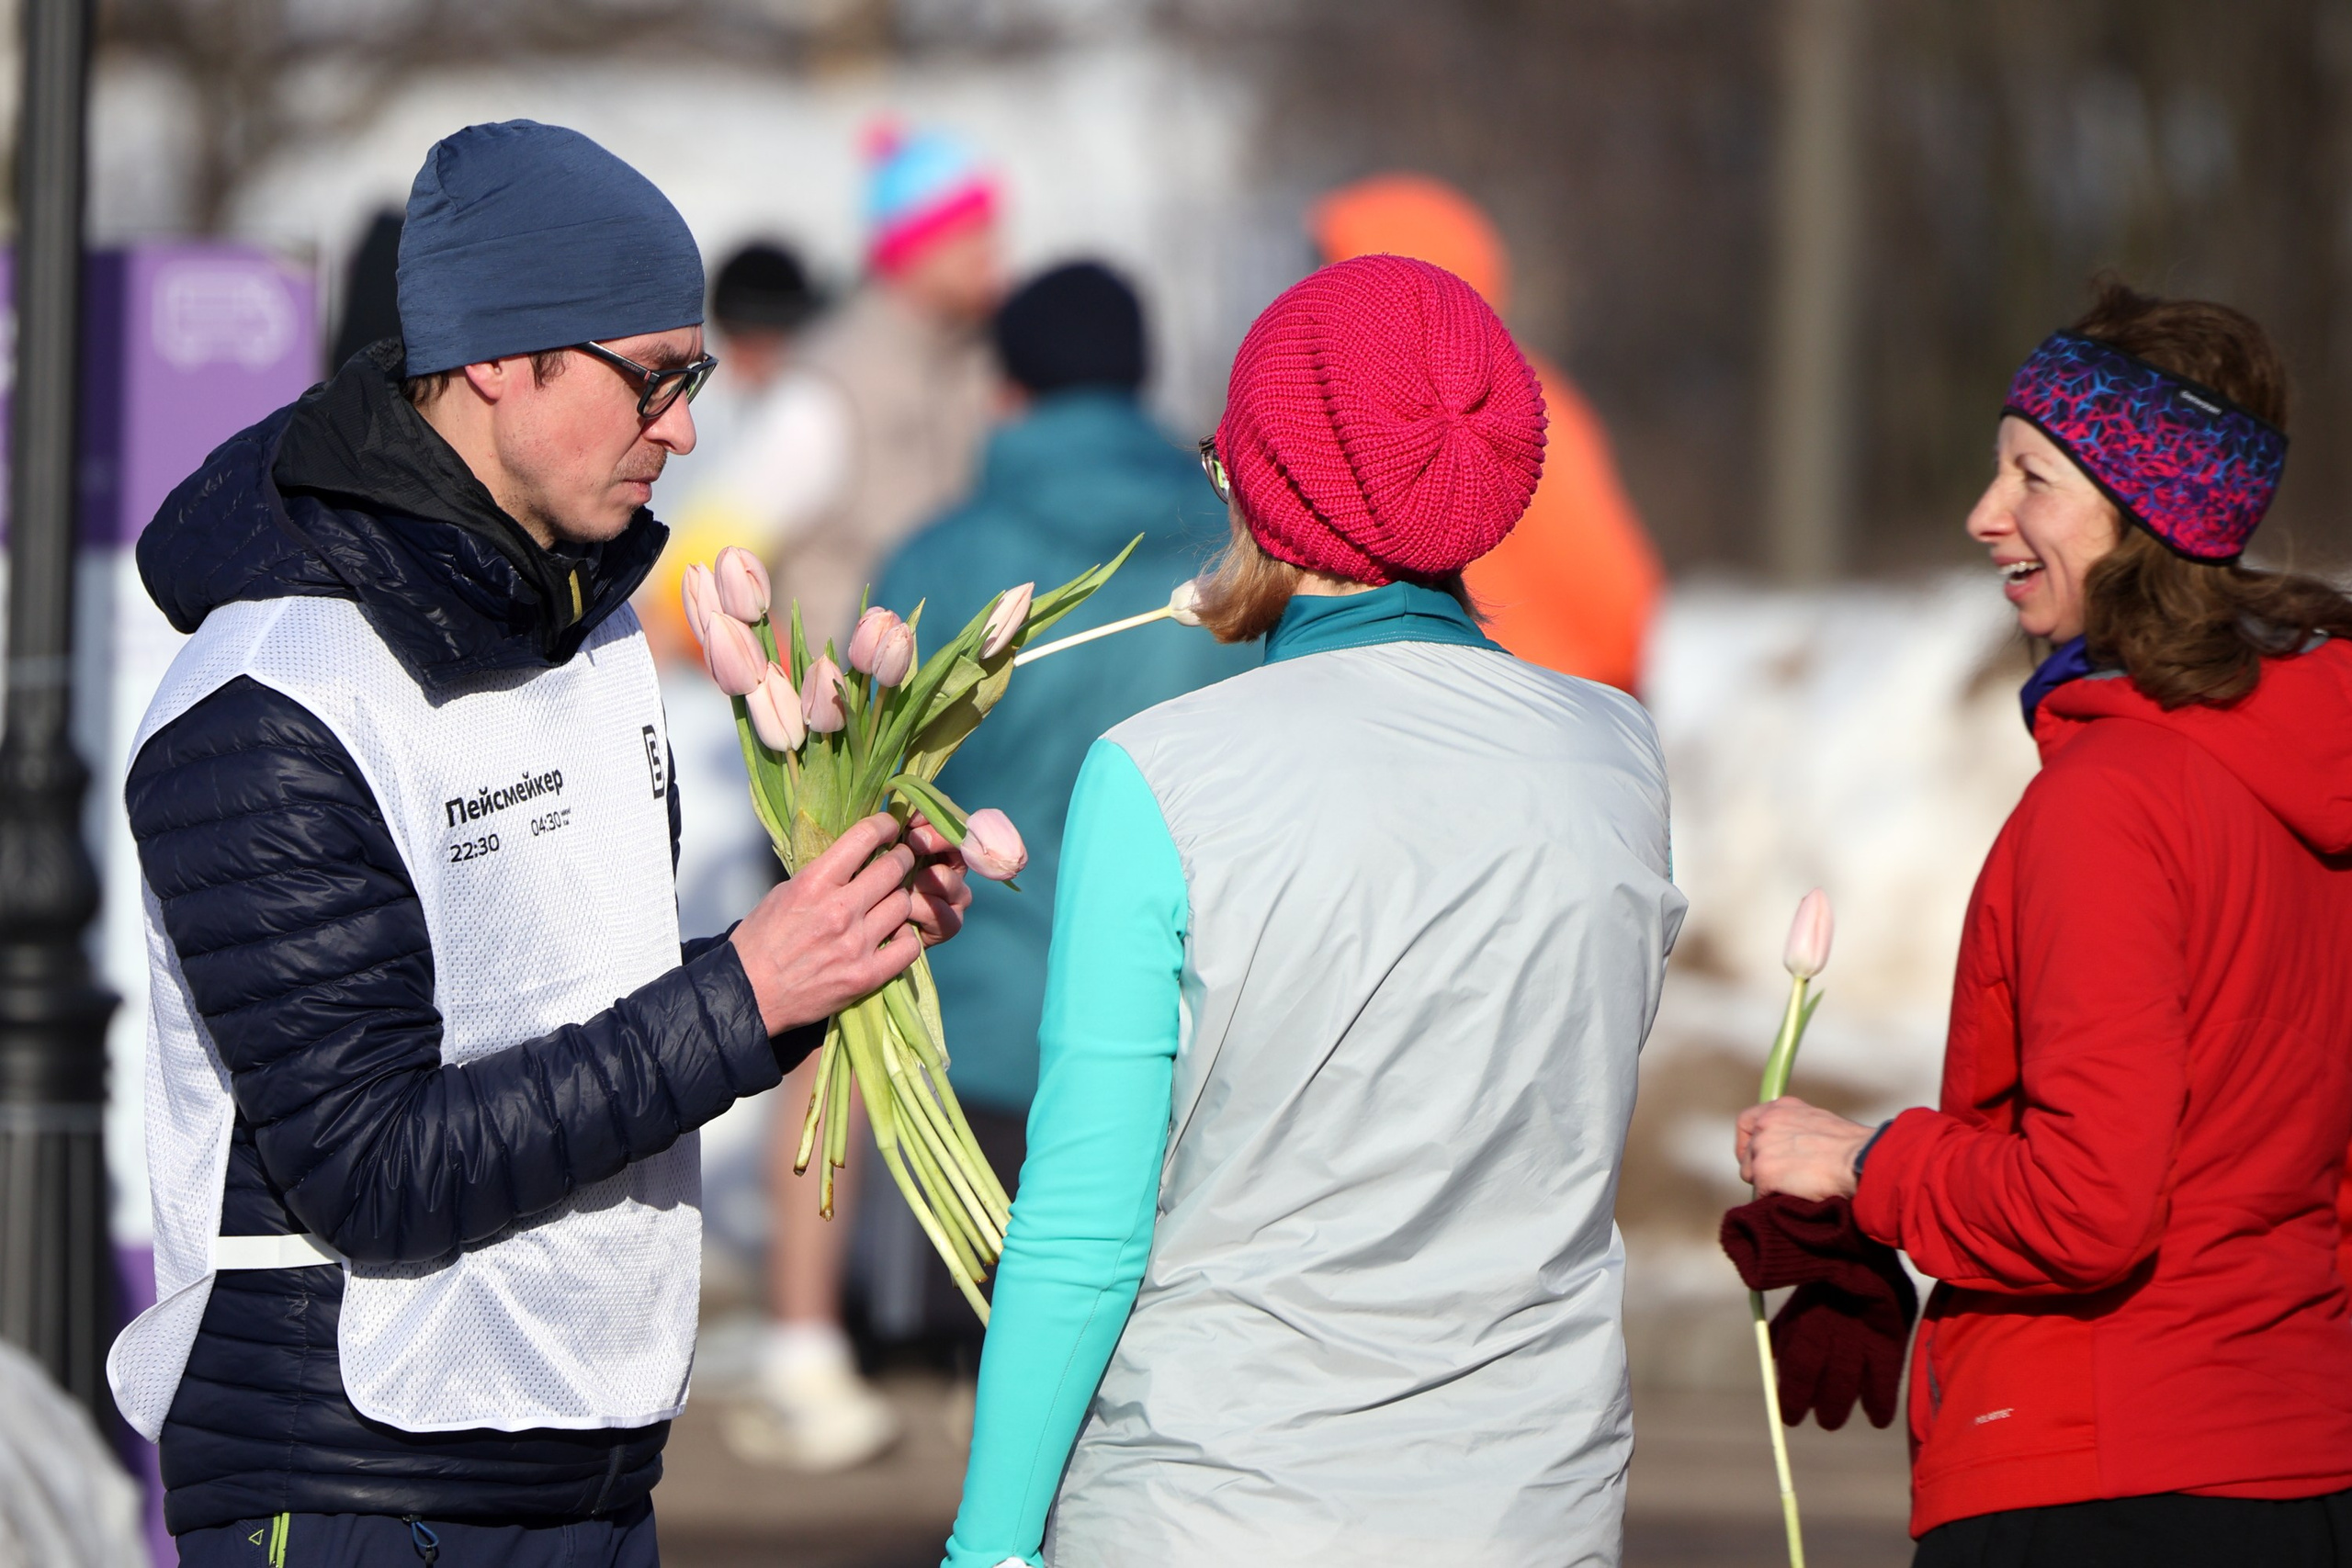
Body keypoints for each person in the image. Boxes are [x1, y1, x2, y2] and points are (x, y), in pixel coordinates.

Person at [106, 120, 971, 1565]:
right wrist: (744, 992)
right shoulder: (269, 695)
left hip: (585, 1471)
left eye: (691, 378)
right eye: (654, 376)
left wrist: (826, 946)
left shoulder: (597, 633)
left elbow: (585, 1028)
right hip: (353, 1487)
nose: (686, 426)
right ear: (501, 356)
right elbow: (368, 1162)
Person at [943, 254, 1687, 1567]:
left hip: (1217, 1499)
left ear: (1254, 483)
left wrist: (990, 1539)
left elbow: (1083, 1222)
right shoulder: (1615, 755)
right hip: (1531, 1503)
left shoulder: (1161, 773)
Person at [1739, 283, 2352, 1567]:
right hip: (2294, 1452)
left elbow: (2091, 1202)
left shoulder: (2113, 799)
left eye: (2033, 476)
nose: (1985, 513)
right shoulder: (2303, 774)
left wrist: (1867, 1168)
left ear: (2146, 516)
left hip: (2102, 1476)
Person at [843, 259, 1254, 1358]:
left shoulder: (940, 557)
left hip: (969, 1042)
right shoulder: (1236, 558)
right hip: (1181, 1031)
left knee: (982, 1383)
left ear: (1006, 390)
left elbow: (861, 785)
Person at [1312, 173, 1663, 691]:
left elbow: (1616, 603)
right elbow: (1620, 605)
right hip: (1516, 708)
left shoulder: (1524, 407)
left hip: (1524, 707)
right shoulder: (1531, 398)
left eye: (1333, 272)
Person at [783, 123, 1003, 648]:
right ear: (914, 244)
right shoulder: (829, 382)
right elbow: (709, 547)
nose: (990, 253)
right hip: (839, 712)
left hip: (938, 706)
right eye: (968, 232)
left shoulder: (980, 361)